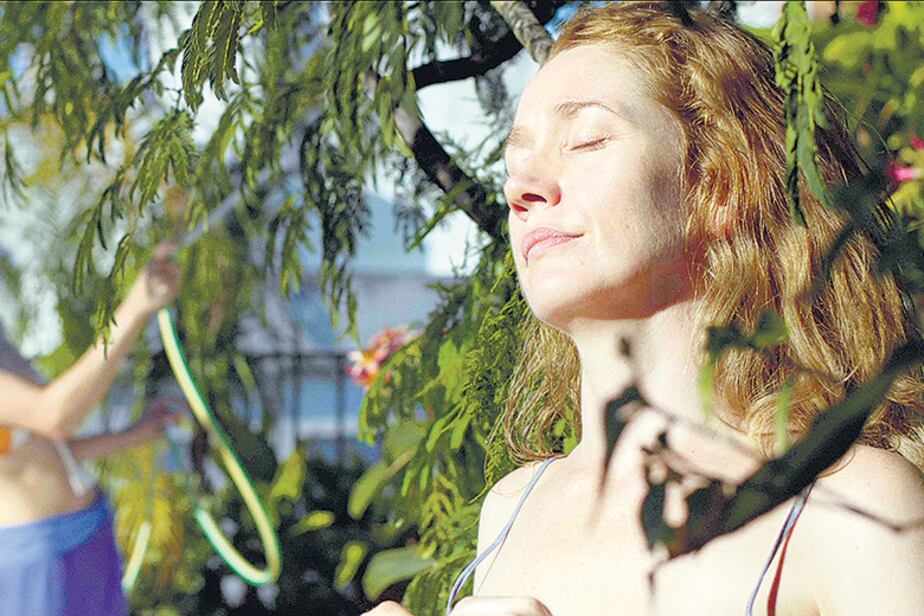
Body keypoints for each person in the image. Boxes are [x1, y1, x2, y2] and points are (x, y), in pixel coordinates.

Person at [365, 3, 924, 615]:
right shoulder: (512, 508)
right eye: (514, 161)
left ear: (720, 184)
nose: (520, 187)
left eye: (586, 140)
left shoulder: (851, 508)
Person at [0, 243, 180, 616]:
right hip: (39, 560)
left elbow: (27, 449)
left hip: (84, 534)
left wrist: (132, 436)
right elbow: (54, 416)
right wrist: (135, 308)